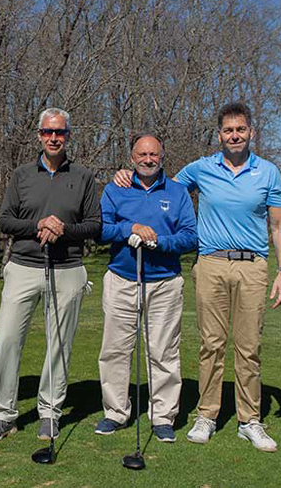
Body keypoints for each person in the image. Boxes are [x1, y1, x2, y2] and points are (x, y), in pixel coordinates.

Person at [114, 102, 281, 452]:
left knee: (249, 347)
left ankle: (249, 420)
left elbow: (280, 224)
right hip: (209, 264)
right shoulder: (202, 168)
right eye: (228, 130)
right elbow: (161, 187)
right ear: (220, 134)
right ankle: (207, 415)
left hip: (252, 266)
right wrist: (128, 176)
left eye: (240, 129)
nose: (235, 135)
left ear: (251, 132)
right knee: (211, 344)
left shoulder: (268, 172)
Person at [0, 108, 101, 443]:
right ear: (38, 135)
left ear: (68, 135)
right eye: (47, 132)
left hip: (67, 269)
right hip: (23, 267)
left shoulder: (83, 176)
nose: (53, 138)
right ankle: (3, 415)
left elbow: (94, 224)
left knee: (59, 345)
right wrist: (39, 225)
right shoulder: (21, 175)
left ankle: (50, 413)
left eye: (59, 133)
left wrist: (63, 229)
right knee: (7, 340)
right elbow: (4, 221)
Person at [94, 134, 197, 443]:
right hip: (122, 280)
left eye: (153, 154)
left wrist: (159, 242)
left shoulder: (177, 192)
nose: (148, 159)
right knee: (115, 350)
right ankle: (115, 412)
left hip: (164, 282)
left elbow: (191, 236)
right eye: (142, 154)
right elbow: (100, 230)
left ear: (162, 156)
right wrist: (129, 230)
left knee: (163, 352)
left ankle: (163, 417)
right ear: (132, 157)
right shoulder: (116, 188)